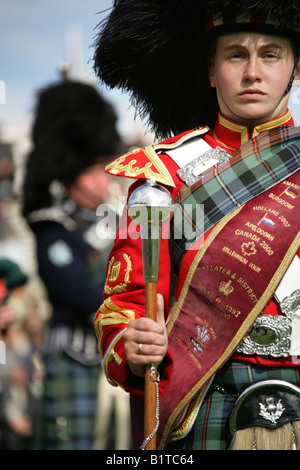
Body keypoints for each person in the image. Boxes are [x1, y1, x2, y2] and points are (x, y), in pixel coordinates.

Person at [93, 0, 300, 450]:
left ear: (296, 68)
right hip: (204, 402)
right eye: (235, 54)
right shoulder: (164, 176)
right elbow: (124, 304)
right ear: (211, 70)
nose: (252, 72)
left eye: (270, 54)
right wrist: (132, 341)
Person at [22, 79, 122, 449]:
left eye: (102, 168)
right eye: (90, 170)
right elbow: (82, 292)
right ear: (68, 174)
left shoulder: (113, 219)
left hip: (117, 356)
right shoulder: (52, 227)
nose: (101, 179)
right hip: (74, 356)